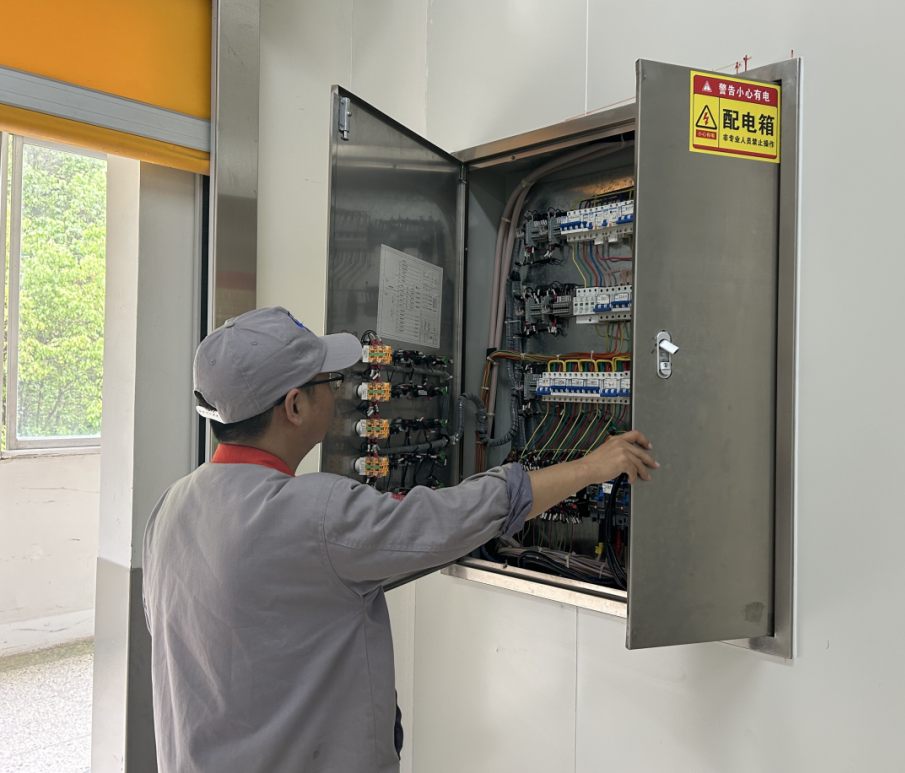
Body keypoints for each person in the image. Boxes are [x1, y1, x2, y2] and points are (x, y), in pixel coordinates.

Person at [142, 306, 658, 773]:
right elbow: (452, 518)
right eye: (329, 379)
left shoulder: (169, 510)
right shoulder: (316, 516)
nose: (339, 391)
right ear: (294, 406)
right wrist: (592, 467)